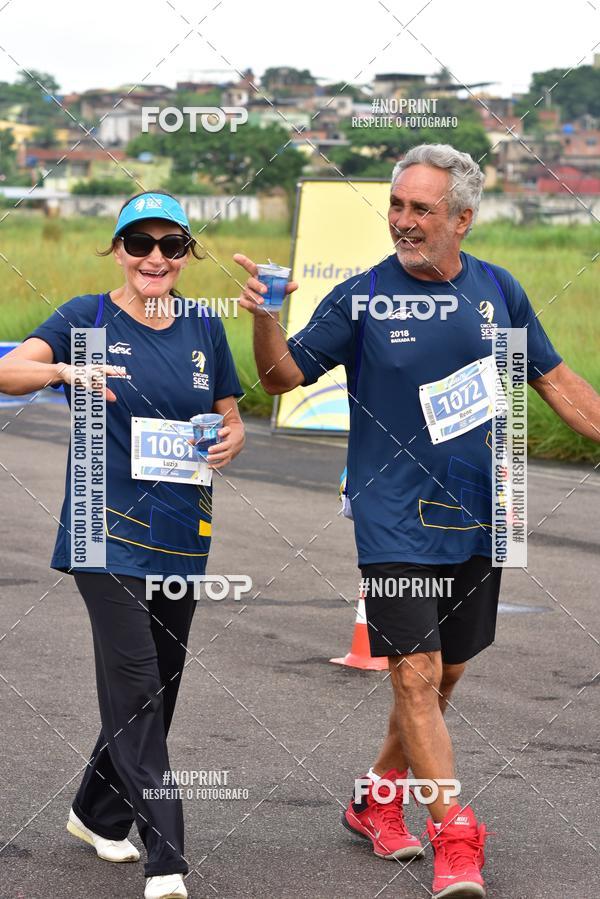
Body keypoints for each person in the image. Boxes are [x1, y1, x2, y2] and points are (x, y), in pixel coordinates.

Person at [233, 144, 600, 898]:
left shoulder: (499, 291)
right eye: (397, 206)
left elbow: (557, 380)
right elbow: (280, 376)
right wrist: (267, 318)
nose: (403, 221)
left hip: (482, 510)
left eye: (421, 209)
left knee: (447, 674)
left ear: (462, 219)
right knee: (416, 670)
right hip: (392, 512)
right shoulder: (363, 298)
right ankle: (455, 837)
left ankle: (375, 797)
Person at [0, 190, 245, 899]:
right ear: (118, 249)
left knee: (159, 685)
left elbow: (227, 410)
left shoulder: (202, 325)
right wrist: (61, 372)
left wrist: (234, 432)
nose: (156, 258)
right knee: (137, 684)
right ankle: (165, 855)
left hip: (181, 533)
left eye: (171, 245)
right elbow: (8, 369)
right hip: (101, 535)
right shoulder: (87, 317)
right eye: (140, 244)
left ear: (187, 254)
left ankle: (95, 811)